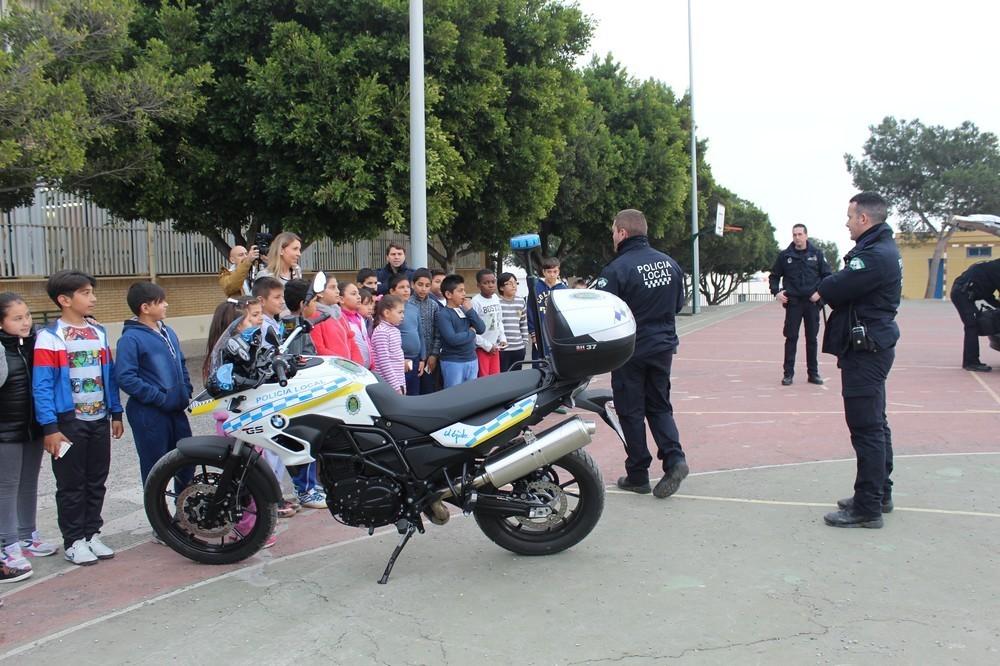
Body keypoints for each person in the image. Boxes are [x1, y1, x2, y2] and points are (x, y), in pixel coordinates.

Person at [818, 192, 901, 529]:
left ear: (864, 218)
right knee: (876, 423)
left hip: (867, 351)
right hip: (873, 345)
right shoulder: (880, 249)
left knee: (866, 428)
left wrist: (826, 286)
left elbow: (835, 287)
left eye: (850, 217)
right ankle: (879, 494)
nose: (847, 223)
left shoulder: (875, 255)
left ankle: (868, 507)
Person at [33, 270, 124, 565]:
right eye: (85, 293)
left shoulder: (98, 332)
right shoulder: (49, 338)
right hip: (67, 422)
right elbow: (42, 386)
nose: (93, 298)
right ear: (64, 300)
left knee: (97, 479)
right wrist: (49, 427)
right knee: (71, 484)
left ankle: (91, 534)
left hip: (98, 418)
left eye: (91, 292)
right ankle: (73, 541)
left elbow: (109, 375)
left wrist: (116, 412)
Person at [596, 210, 688, 499]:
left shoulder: (616, 270)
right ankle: (675, 459)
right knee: (660, 406)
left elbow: (603, 313)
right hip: (663, 347)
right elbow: (678, 304)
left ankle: (638, 474)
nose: (613, 237)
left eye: (614, 231)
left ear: (622, 233)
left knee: (631, 411)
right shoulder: (670, 264)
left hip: (630, 351)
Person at [114, 282, 194, 500]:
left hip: (176, 410)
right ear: (145, 308)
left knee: (186, 461)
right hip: (149, 414)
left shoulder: (168, 332)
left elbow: (181, 362)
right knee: (156, 468)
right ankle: (158, 515)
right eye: (160, 302)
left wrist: (186, 388)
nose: (166, 305)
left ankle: (185, 510)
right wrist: (158, 397)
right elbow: (125, 377)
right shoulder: (130, 339)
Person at [0, 293, 57, 578]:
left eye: (27, 316)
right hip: (5, 432)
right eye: (17, 318)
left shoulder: (35, 343)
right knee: (6, 488)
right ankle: (7, 545)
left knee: (28, 483)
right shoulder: (2, 349)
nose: (25, 322)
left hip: (32, 428)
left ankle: (27, 536)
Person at [769, 224, 832, 385]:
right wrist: (776, 292)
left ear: (806, 235)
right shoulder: (785, 256)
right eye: (794, 235)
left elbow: (827, 276)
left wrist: (820, 293)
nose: (797, 237)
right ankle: (788, 374)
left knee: (812, 339)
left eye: (800, 234)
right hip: (793, 303)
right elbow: (774, 276)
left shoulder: (817, 254)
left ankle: (813, 374)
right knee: (791, 338)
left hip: (812, 303)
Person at [949, 258, 1000, 372]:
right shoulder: (997, 268)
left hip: (963, 293)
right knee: (972, 326)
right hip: (962, 294)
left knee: (973, 326)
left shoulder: (991, 267)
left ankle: (971, 361)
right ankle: (970, 362)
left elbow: (988, 295)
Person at [437, 275, 486, 388]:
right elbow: (453, 339)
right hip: (453, 361)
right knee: (454, 394)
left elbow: (481, 328)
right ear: (448, 294)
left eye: (464, 290)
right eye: (460, 291)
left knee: (471, 393)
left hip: (472, 358)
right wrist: (472, 333)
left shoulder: (465, 310)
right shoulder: (443, 314)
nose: (464, 294)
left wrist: (470, 311)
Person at [387, 274, 426, 395]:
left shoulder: (414, 308)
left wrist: (422, 358)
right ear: (392, 291)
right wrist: (399, 359)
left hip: (415, 359)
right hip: (400, 360)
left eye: (408, 287)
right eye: (401, 287)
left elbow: (420, 333)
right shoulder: (389, 312)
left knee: (414, 392)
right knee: (401, 392)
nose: (406, 290)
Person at [410, 269, 442, 394]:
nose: (423, 289)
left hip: (430, 357)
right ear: (413, 284)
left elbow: (438, 333)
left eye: (427, 285)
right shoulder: (407, 304)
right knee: (414, 391)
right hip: (412, 357)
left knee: (429, 390)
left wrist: (434, 355)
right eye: (420, 284)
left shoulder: (434, 305)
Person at [527, 256, 566, 359]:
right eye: (549, 272)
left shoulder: (563, 289)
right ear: (544, 272)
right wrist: (533, 333)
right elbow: (530, 310)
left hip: (557, 333)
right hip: (540, 333)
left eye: (555, 271)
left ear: (558, 272)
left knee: (557, 362)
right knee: (539, 362)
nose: (552, 274)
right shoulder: (535, 288)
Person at [471, 268, 507, 377]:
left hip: (495, 347)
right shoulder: (475, 302)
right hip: (482, 349)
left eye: (492, 282)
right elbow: (472, 330)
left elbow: (499, 320)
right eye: (486, 283)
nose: (490, 285)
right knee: (484, 379)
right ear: (478, 285)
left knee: (495, 378)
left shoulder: (496, 298)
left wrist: (502, 338)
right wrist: (487, 346)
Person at [371, 295, 407, 393]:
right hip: (387, 385)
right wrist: (396, 387)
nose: (402, 316)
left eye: (403, 312)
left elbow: (397, 358)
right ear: (386, 313)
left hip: (398, 381)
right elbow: (384, 362)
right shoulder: (381, 332)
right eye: (399, 312)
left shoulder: (395, 330)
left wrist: (402, 385)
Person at [498, 272, 529, 372]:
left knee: (516, 375)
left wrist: (524, 342)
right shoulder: (497, 303)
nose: (514, 285)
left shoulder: (521, 301)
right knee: (503, 375)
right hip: (503, 349)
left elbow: (523, 323)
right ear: (501, 287)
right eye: (510, 283)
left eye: (515, 283)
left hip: (519, 347)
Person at [280, 279, 319, 356]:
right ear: (303, 304)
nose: (316, 304)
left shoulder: (286, 324)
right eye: (314, 301)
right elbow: (295, 358)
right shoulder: (298, 330)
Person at [339, 282, 373, 368]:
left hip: (367, 367)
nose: (359, 297)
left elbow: (367, 341)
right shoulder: (340, 319)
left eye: (358, 293)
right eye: (353, 294)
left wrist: (372, 362)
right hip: (352, 367)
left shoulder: (360, 317)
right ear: (341, 299)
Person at [253, 277, 286, 346]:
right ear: (261, 301)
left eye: (283, 297)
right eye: (277, 297)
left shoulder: (272, 321)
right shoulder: (261, 326)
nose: (283, 301)